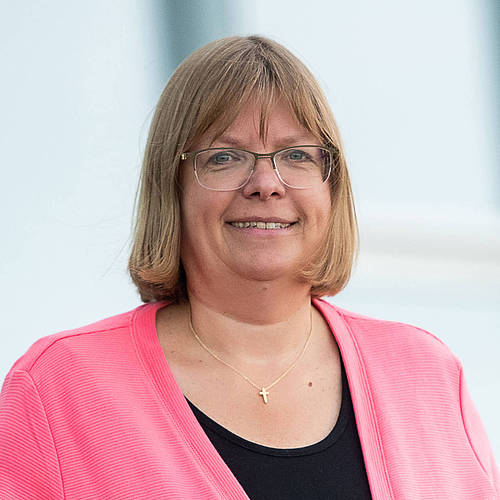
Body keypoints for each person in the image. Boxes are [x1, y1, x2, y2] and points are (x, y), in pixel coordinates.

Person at [0, 35, 498, 500]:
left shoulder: (427, 374)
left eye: (297, 154)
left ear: (332, 186)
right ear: (171, 185)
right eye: (225, 157)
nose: (266, 183)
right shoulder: (58, 389)